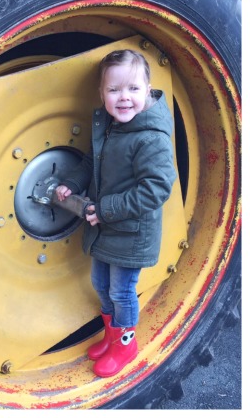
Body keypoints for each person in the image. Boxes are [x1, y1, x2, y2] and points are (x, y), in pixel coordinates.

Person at [54, 49, 176, 378]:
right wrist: (70, 183)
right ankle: (111, 336)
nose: (123, 98)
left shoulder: (151, 138)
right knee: (100, 283)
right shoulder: (110, 127)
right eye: (113, 90)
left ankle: (126, 344)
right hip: (106, 227)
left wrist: (105, 210)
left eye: (133, 89)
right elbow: (90, 165)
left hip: (131, 233)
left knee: (122, 291)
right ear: (102, 93)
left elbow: (156, 189)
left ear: (148, 88)